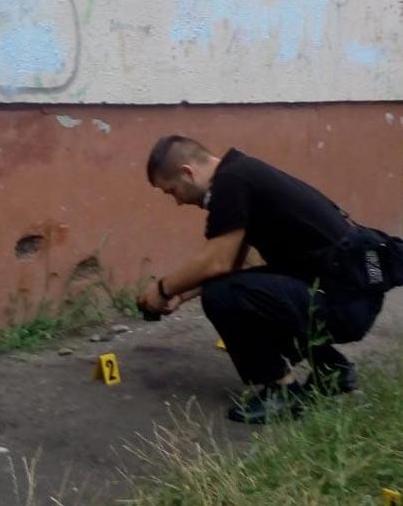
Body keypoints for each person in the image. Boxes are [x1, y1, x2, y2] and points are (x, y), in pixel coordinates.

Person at [137, 135, 389, 424]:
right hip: (351, 297)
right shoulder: (240, 174)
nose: (178, 201)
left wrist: (162, 288)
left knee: (223, 296)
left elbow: (216, 261)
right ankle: (331, 370)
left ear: (187, 173)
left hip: (344, 304)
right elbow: (231, 261)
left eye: (172, 191)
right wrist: (181, 295)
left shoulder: (231, 184)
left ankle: (281, 390)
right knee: (249, 289)